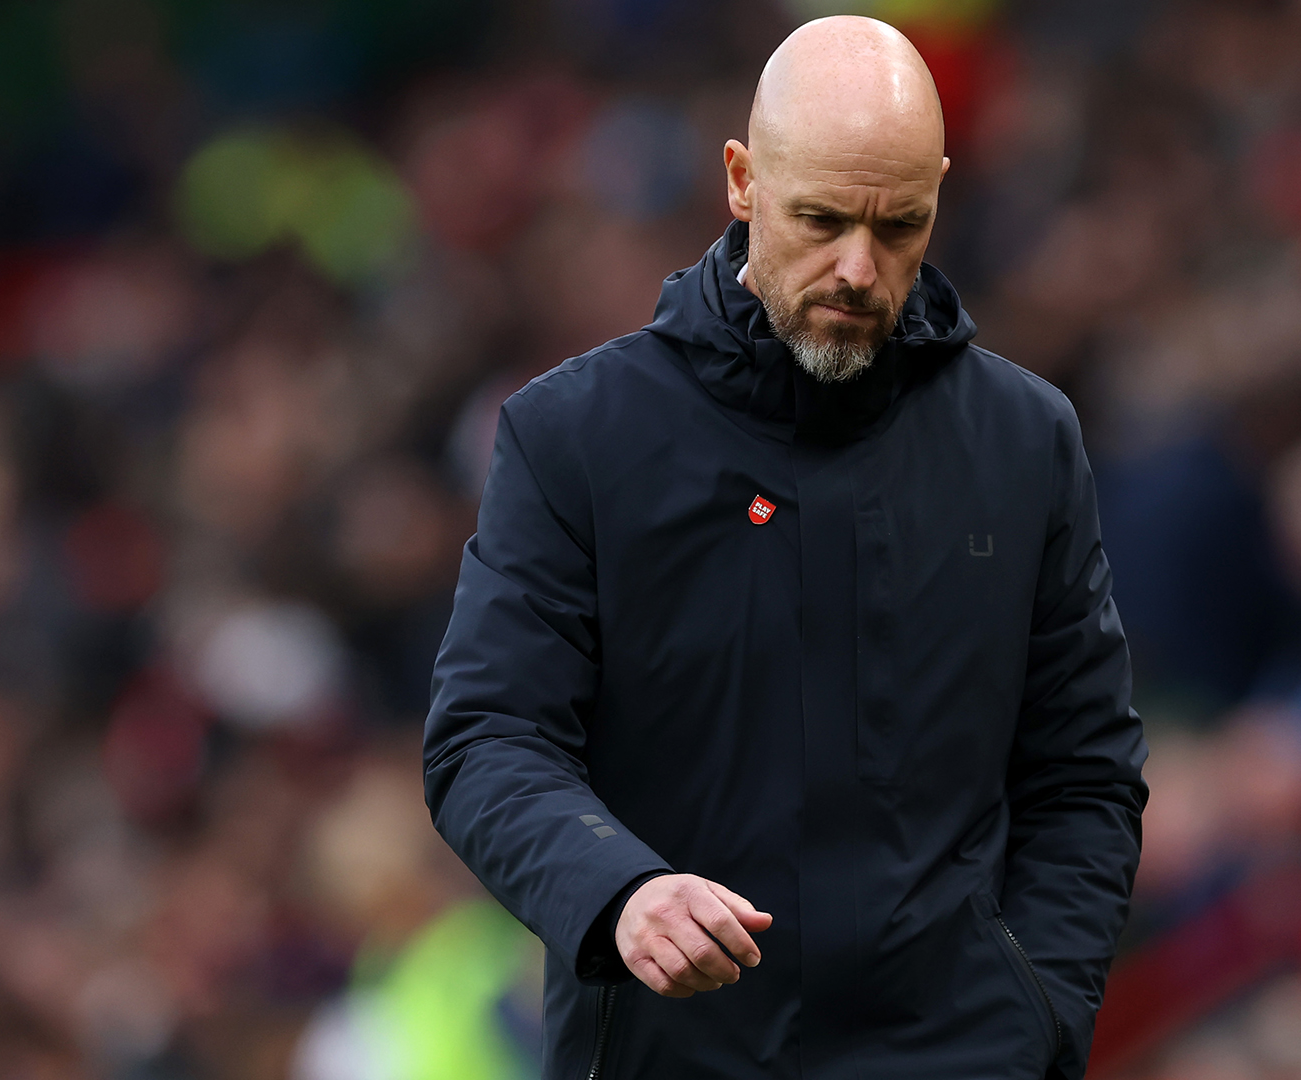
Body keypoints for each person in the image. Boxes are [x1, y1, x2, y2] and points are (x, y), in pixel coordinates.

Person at [424, 16, 1148, 1079]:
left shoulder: (1025, 441)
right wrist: (617, 892)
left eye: (900, 225)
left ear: (941, 192)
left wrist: (1035, 1017)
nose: (859, 267)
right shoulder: (575, 437)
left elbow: (1084, 776)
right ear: (741, 180)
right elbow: (485, 739)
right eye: (821, 219)